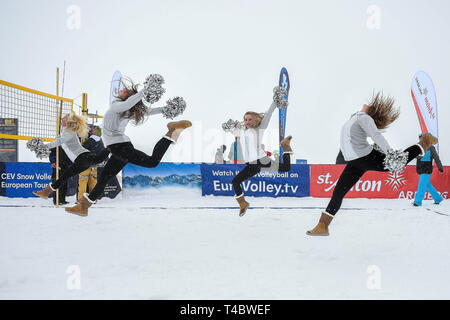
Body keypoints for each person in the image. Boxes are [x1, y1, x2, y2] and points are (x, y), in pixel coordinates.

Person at [306, 92, 438, 236]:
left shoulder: (364, 118)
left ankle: (424, 143)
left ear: (370, 111)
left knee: (396, 163)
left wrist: (389, 153)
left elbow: (376, 135)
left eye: (368, 106)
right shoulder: (354, 118)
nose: (365, 104)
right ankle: (323, 226)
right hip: (354, 162)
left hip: (366, 156)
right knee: (338, 192)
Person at [65, 78, 192, 216]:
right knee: (105, 178)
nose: (122, 90)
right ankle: (83, 207)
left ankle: (171, 131)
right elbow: (145, 111)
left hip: (120, 147)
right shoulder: (121, 108)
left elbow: (142, 109)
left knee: (152, 162)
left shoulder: (119, 107)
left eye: (125, 91)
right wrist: (164, 108)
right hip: (117, 148)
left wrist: (146, 92)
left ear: (128, 97)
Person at [231, 92, 293, 217]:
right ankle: (243, 204)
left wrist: (274, 103)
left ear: (255, 120)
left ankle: (285, 146)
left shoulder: (259, 129)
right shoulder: (243, 131)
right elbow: (234, 129)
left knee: (286, 168)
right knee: (235, 182)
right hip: (252, 164)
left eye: (250, 119)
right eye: (245, 119)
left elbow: (268, 114)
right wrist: (229, 127)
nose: (247, 121)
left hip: (260, 160)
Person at [33, 113, 111, 200]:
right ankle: (45, 192)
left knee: (64, 176)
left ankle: (45, 192)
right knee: (65, 177)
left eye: (63, 119)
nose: (61, 120)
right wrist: (43, 147)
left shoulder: (69, 132)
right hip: (82, 158)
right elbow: (58, 140)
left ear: (68, 122)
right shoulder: (66, 131)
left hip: (82, 157)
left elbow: (58, 142)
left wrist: (44, 147)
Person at [77, 125, 106, 203]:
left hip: (86, 165)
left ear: (96, 132)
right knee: (93, 183)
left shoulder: (90, 140)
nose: (91, 130)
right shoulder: (101, 141)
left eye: (93, 130)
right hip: (95, 165)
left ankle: (81, 200)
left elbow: (82, 150)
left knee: (82, 182)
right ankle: (94, 199)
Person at [413, 135, 444, 206]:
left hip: (427, 170)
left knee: (421, 185)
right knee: (427, 185)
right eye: (420, 138)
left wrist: (440, 168)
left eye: (422, 138)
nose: (420, 139)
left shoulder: (431, 148)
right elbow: (416, 156)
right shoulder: (419, 146)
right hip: (420, 169)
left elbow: (436, 158)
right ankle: (438, 198)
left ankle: (417, 201)